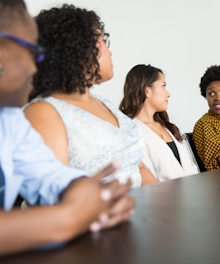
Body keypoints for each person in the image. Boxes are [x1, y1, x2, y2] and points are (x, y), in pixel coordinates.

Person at [0, 0, 135, 257]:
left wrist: (89, 195)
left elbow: (49, 175)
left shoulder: (7, 119)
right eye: (32, 53)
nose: (37, 67)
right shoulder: (39, 111)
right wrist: (69, 218)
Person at [23, 4, 157, 187]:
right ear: (76, 46)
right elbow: (51, 199)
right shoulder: (42, 112)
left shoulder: (106, 104)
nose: (110, 52)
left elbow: (138, 168)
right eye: (102, 40)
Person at [119, 64, 199, 181]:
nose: (168, 94)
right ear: (147, 91)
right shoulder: (131, 132)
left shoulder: (167, 127)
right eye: (163, 86)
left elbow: (190, 167)